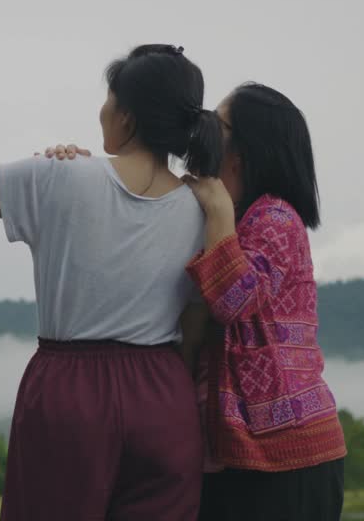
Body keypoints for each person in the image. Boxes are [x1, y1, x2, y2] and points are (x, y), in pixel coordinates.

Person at [0, 42, 222, 520]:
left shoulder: (61, 176)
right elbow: (197, 320)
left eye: (109, 99)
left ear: (127, 118)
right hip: (164, 393)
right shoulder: (204, 207)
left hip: (71, 392)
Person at [44, 82, 347, 521]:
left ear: (245, 149)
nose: (203, 129)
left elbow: (232, 301)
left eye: (219, 123)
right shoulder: (219, 214)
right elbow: (137, 210)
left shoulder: (275, 218)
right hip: (228, 452)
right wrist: (83, 173)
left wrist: (219, 210)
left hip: (286, 456)